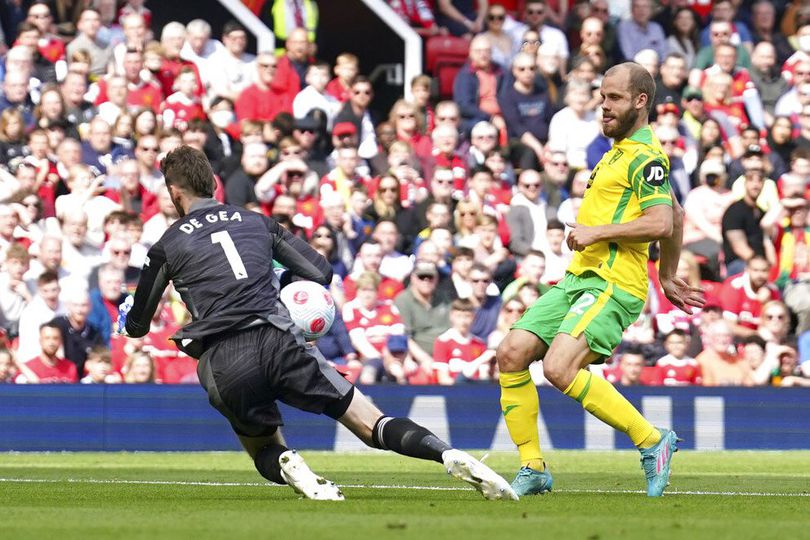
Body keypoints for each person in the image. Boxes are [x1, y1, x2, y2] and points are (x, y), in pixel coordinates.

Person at [119, 146, 516, 500]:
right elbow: (320, 270)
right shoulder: (255, 221)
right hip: (280, 338)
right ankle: (447, 454)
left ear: (174, 191)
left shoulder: (167, 243)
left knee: (262, 448)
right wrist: (281, 281)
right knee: (370, 423)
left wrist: (128, 318)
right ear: (213, 185)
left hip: (224, 358)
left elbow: (138, 326)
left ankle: (292, 465)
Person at [495, 62, 704, 498]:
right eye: (602, 97)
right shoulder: (617, 151)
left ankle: (652, 440)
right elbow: (678, 214)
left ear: (640, 101)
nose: (602, 106)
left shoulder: (646, 155)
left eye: (613, 98)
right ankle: (533, 467)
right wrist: (667, 274)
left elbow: (662, 220)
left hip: (613, 283)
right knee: (512, 352)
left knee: (558, 367)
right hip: (579, 278)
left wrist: (597, 233)